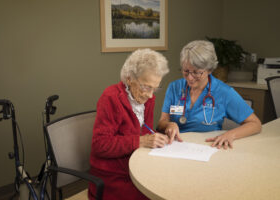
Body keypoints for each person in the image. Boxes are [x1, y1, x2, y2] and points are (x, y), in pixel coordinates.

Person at [89, 48, 170, 200]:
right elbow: (100, 144)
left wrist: (159, 133)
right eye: (146, 87)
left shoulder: (148, 99)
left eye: (155, 88)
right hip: (113, 173)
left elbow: (146, 131)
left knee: (169, 184)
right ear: (129, 79)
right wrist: (140, 141)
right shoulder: (111, 98)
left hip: (137, 164)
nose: (150, 95)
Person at [157, 40, 262, 149]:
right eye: (186, 71)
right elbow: (161, 122)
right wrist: (169, 125)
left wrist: (230, 134)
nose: (190, 77)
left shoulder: (224, 92)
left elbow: (255, 124)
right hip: (175, 146)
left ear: (210, 70)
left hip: (207, 147)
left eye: (196, 72)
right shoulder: (174, 87)